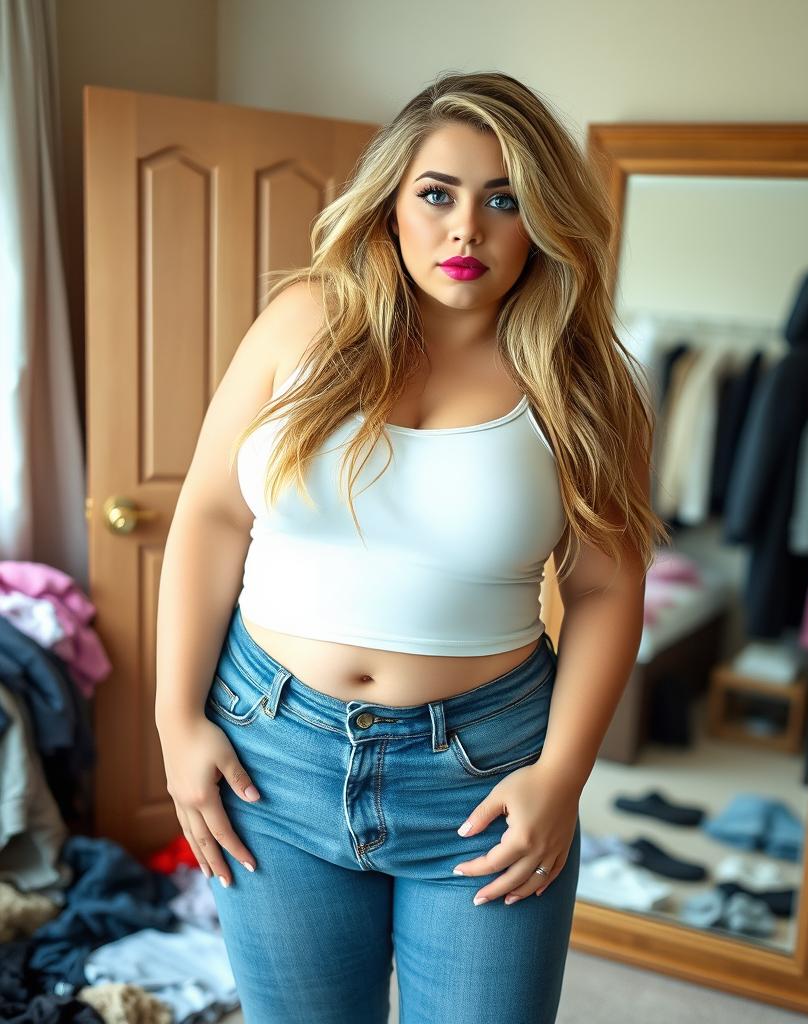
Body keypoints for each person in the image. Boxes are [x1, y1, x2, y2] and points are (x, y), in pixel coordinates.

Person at [154, 70, 667, 1024]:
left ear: (542, 219)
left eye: (503, 199)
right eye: (438, 194)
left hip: (482, 777)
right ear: (392, 202)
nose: (465, 229)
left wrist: (563, 776)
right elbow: (212, 517)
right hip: (270, 751)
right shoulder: (302, 322)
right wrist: (175, 720)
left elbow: (603, 592)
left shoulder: (586, 384)